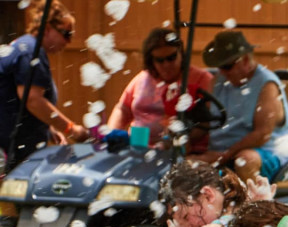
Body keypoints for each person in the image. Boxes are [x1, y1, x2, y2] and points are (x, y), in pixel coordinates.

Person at [190, 31, 288, 186]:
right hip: (222, 153)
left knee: (243, 161)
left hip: (265, 151)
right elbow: (207, 123)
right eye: (220, 67)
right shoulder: (217, 82)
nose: (222, 72)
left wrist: (224, 155)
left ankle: (255, 205)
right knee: (184, 166)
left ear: (245, 60)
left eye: (227, 66)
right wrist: (182, 138)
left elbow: (261, 135)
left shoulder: (267, 85)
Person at [0, 0, 89, 170]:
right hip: (7, 151)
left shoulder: (27, 47)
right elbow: (32, 100)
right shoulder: (30, 53)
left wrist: (48, 128)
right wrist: (72, 129)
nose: (68, 41)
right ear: (47, 28)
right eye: (66, 34)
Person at [107, 27, 213, 153]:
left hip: (181, 151)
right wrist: (111, 133)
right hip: (137, 148)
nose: (166, 64)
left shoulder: (200, 79)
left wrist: (180, 139)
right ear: (151, 61)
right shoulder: (143, 77)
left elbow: (206, 123)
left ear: (181, 54)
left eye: (171, 57)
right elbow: (122, 108)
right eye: (160, 60)